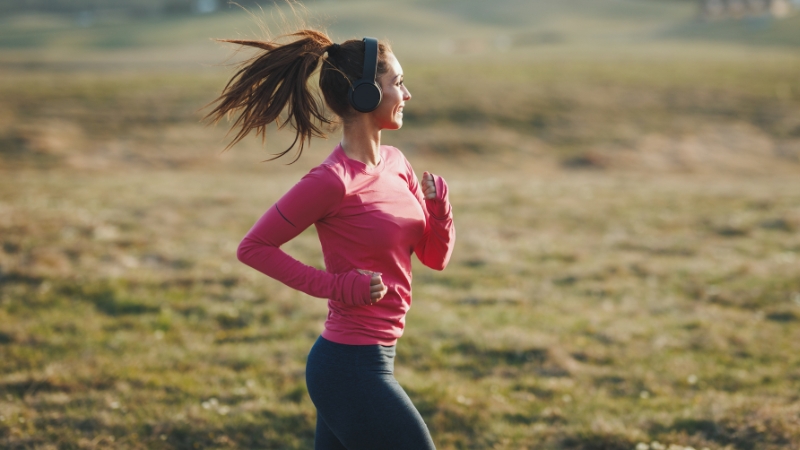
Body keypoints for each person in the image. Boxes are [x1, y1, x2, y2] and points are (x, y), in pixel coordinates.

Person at [205, 29, 455, 449]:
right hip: (349, 368)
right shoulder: (331, 181)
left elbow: (434, 257)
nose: (407, 94)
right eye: (397, 83)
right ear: (365, 95)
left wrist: (439, 211)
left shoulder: (397, 163)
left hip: (375, 358)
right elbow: (253, 248)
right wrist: (338, 286)